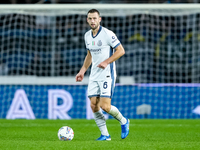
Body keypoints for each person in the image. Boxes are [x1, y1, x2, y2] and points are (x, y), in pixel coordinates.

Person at [75, 9, 129, 141]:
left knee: (105, 106)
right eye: (90, 18)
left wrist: (106, 61)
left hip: (106, 74)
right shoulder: (87, 36)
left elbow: (121, 51)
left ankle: (124, 121)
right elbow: (89, 55)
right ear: (87, 20)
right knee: (93, 105)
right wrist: (82, 71)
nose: (92, 21)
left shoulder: (107, 34)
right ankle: (105, 135)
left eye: (94, 18)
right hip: (94, 74)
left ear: (100, 19)